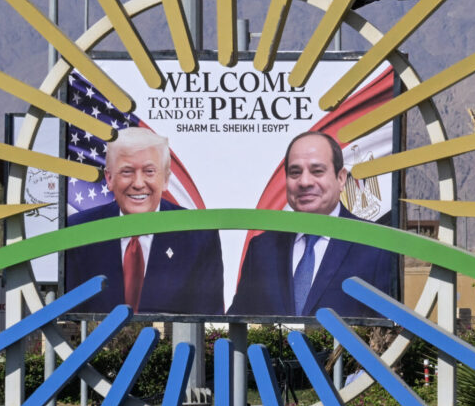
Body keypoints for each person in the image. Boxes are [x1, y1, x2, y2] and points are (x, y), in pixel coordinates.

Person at [228, 131, 396, 318]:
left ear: (341, 178)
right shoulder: (261, 249)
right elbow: (237, 324)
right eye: (295, 172)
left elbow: (387, 332)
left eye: (317, 171)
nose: (305, 182)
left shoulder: (376, 248)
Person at [67, 128, 223, 315]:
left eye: (149, 171)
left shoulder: (199, 236)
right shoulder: (79, 231)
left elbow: (208, 321)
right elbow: (70, 317)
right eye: (127, 172)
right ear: (109, 178)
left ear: (165, 179)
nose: (139, 183)